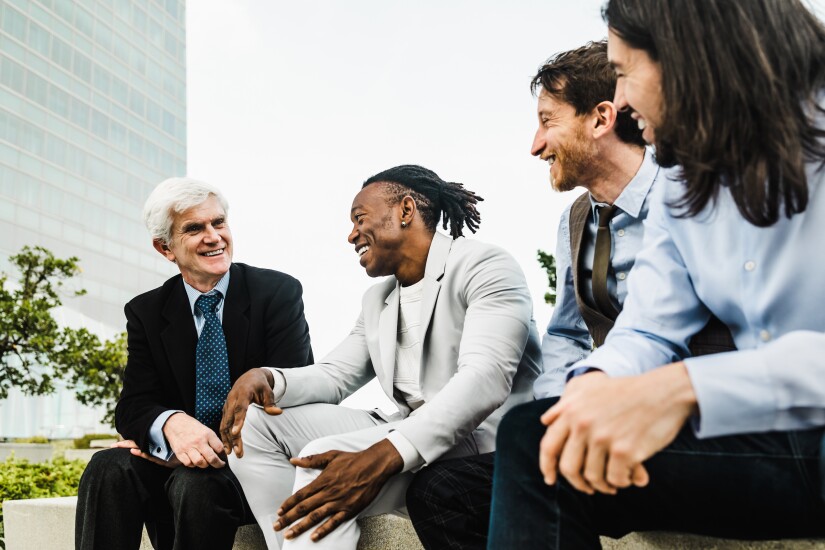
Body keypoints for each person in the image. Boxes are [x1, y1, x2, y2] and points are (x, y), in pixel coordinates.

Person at [488, 0, 825, 547]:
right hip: (769, 442)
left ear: (690, 54)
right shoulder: (681, 188)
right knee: (535, 439)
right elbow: (647, 328)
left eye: (623, 74)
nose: (619, 101)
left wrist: (684, 388)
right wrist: (592, 392)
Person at [405, 40, 732, 550]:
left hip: (711, 427)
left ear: (601, 118)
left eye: (547, 121)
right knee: (445, 490)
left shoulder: (697, 195)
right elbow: (568, 335)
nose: (535, 145)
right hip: (616, 432)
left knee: (534, 458)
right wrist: (558, 419)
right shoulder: (576, 221)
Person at [220, 164, 542, 549]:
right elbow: (335, 376)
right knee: (255, 425)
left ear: (406, 211)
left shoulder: (485, 266)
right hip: (409, 429)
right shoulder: (378, 298)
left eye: (360, 219)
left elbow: (484, 379)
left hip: (481, 446)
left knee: (320, 460)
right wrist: (268, 378)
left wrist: (385, 454)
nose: (351, 235)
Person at [75, 177, 314, 550]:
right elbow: (134, 405)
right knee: (108, 468)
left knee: (196, 481)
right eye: (194, 228)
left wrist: (204, 449)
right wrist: (170, 427)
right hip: (175, 464)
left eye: (218, 223)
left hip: (249, 464)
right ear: (165, 248)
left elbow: (291, 395)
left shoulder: (277, 294)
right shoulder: (146, 312)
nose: (214, 236)